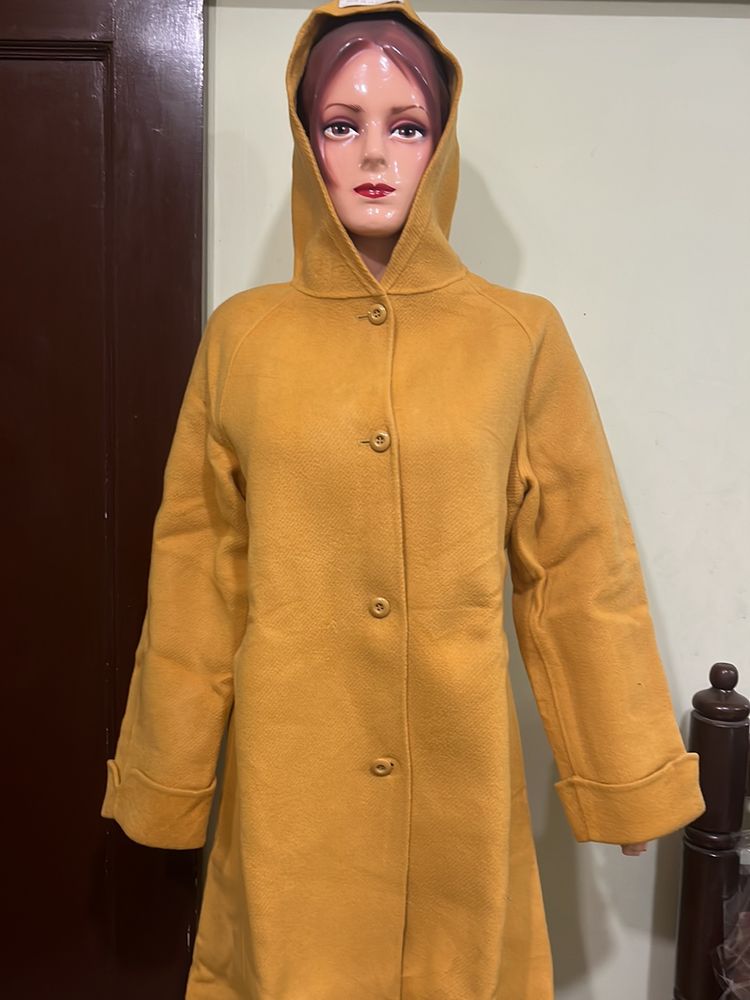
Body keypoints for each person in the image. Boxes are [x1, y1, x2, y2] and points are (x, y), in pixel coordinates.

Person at [101, 2, 705, 997]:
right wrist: (169, 777)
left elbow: (578, 566)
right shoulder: (245, 339)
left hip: (458, 780)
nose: (375, 154)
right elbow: (198, 575)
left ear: (442, 142)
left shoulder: (517, 337)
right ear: (306, 142)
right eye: (342, 124)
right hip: (292, 786)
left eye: (407, 125)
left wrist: (622, 769)